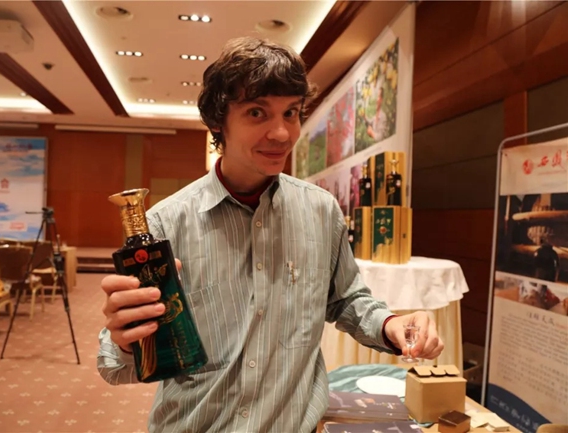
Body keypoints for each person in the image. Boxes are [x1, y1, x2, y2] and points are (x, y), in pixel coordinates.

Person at [97, 36, 444, 433]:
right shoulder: (164, 224)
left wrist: (389, 324)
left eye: (291, 113)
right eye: (257, 113)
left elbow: (346, 299)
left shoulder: (321, 211)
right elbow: (115, 365)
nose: (281, 133)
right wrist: (125, 339)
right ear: (218, 122)